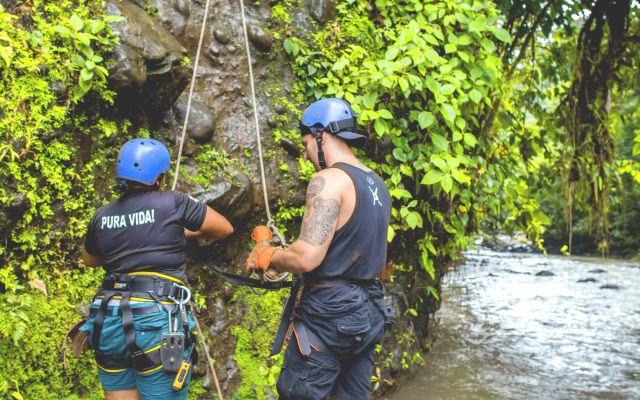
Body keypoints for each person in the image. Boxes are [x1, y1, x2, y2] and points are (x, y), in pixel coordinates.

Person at [247, 98, 393, 400]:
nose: (305, 155)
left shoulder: (328, 180)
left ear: (320, 135)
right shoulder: (378, 185)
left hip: (331, 315)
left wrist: (267, 255)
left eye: (306, 145)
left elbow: (307, 257)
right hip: (368, 314)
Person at [80, 138, 233, 400]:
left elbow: (91, 260)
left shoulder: (101, 215)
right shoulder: (172, 203)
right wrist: (183, 232)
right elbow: (224, 228)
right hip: (154, 320)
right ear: (159, 177)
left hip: (108, 318)